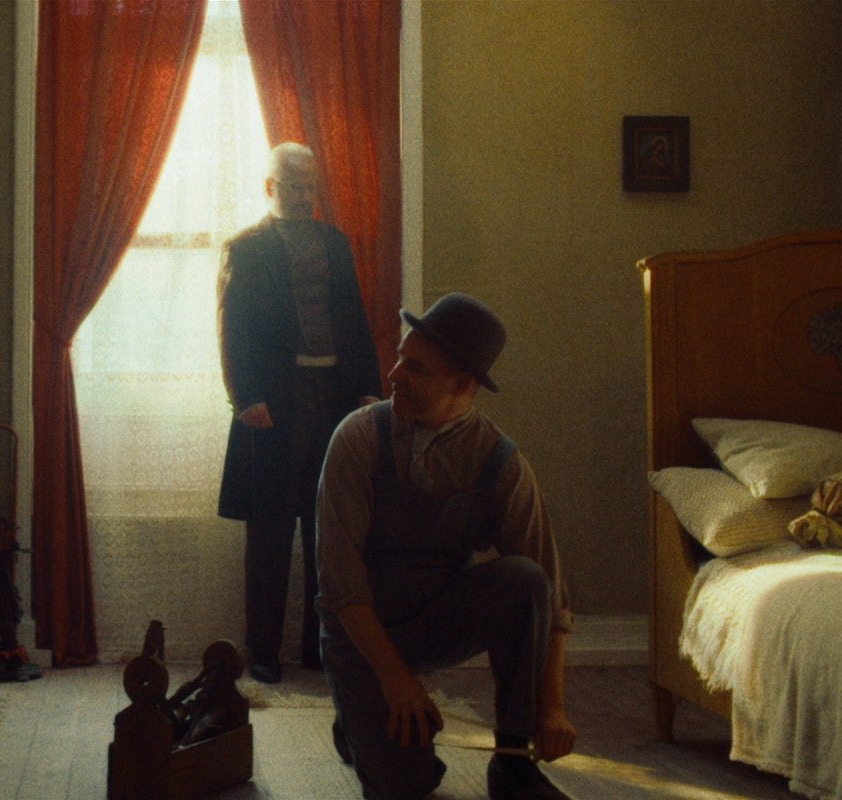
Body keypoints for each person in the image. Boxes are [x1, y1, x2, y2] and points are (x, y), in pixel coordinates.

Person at [315, 293, 576, 800]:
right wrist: (395, 680)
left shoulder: (501, 461)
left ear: (462, 385)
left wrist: (552, 708)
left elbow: (551, 594)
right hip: (360, 636)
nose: (394, 375)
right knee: (404, 786)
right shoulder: (357, 438)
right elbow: (341, 587)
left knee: (525, 581)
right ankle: (356, 720)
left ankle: (512, 766)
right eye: (400, 358)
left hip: (434, 622)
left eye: (415, 368)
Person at [217, 142, 383, 684]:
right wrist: (247, 398)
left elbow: (354, 318)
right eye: (293, 185)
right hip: (274, 401)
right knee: (268, 530)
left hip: (334, 398)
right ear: (271, 187)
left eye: (311, 185)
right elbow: (233, 327)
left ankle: (320, 646)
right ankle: (263, 649)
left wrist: (367, 389)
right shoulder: (246, 247)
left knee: (327, 527)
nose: (304, 194)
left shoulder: (336, 244)